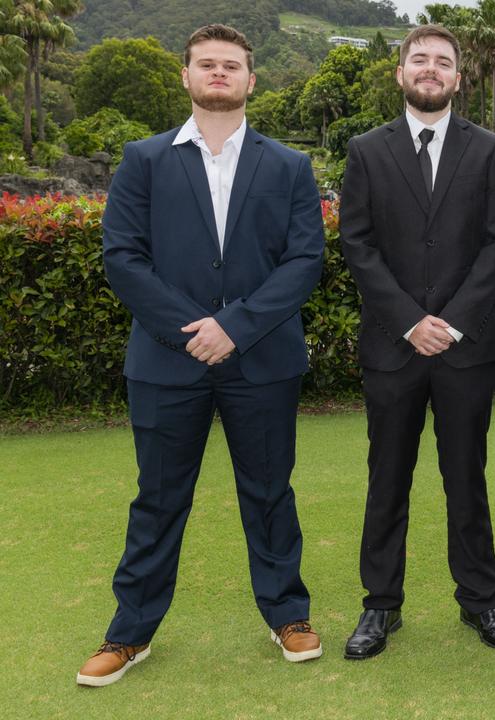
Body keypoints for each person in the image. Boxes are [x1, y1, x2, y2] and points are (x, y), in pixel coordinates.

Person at [80, 23, 326, 687]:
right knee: (157, 501)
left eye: (232, 65)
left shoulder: (289, 166)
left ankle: (288, 614)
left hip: (263, 362)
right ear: (186, 77)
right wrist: (193, 332)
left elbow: (306, 260)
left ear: (252, 80)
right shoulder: (144, 159)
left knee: (269, 494)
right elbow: (123, 258)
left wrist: (235, 327)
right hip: (166, 363)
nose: (219, 73)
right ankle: (129, 633)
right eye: (207, 64)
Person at [339, 24, 495, 658]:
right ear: (400, 72)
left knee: (465, 478)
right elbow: (356, 244)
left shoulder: (491, 149)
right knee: (387, 478)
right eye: (420, 59)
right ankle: (380, 607)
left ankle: (481, 602)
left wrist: (452, 321)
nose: (431, 69)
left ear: (458, 77)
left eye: (443, 62)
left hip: (465, 350)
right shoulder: (366, 149)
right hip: (393, 348)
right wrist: (410, 321)